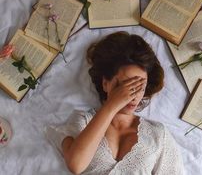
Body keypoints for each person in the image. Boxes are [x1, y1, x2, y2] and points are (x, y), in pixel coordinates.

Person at [46, 31, 184, 175]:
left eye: (140, 88)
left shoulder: (158, 134)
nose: (132, 96)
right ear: (106, 83)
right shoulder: (83, 121)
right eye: (125, 86)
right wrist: (112, 106)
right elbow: (76, 165)